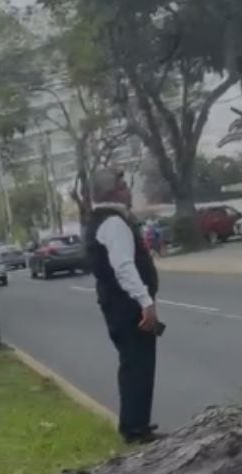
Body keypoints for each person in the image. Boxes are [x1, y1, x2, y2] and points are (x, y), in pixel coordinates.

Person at [84, 169, 161, 445]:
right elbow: (124, 267)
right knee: (138, 364)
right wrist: (145, 302)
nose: (128, 190)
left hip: (116, 304)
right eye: (124, 185)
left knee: (133, 363)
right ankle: (135, 429)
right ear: (113, 192)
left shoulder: (100, 221)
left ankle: (136, 424)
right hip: (127, 306)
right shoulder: (114, 224)